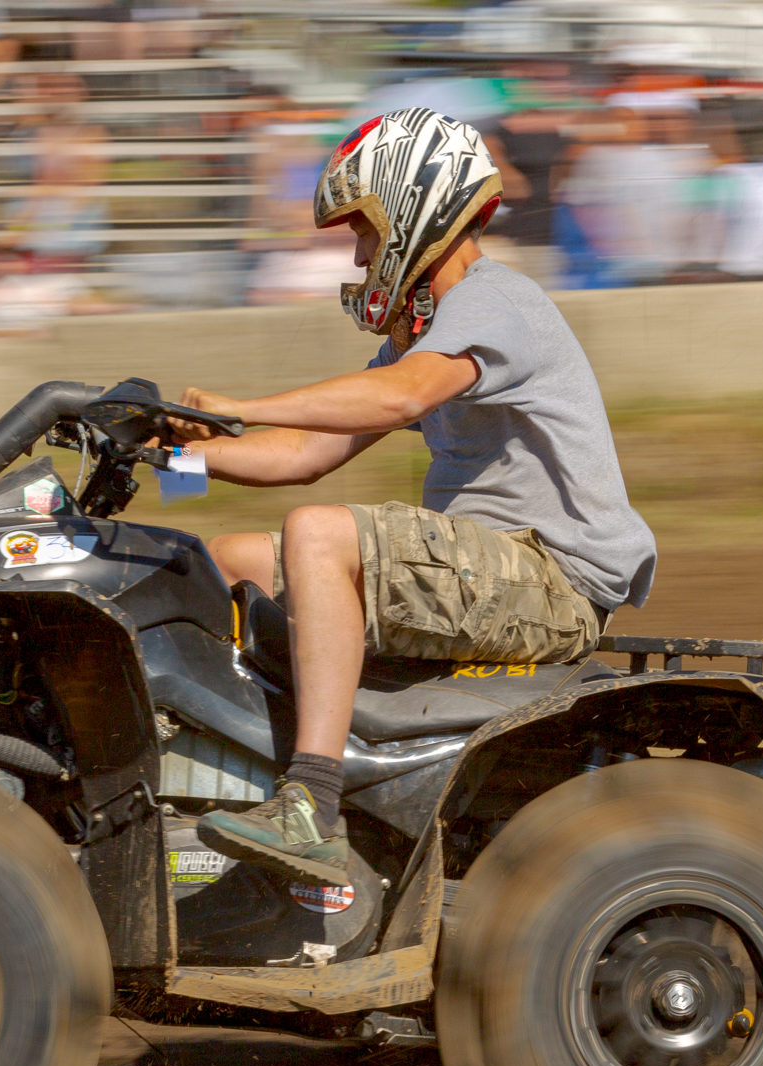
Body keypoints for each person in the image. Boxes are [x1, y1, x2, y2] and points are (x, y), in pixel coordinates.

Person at [168, 108, 657, 885]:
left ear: (413, 208)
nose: (360, 256)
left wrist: (242, 406)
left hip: (551, 580)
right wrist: (172, 458)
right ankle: (235, 781)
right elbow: (306, 453)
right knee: (223, 560)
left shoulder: (496, 301)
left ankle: (311, 804)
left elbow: (400, 397)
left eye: (365, 231)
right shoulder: (424, 333)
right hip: (487, 573)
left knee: (317, 535)